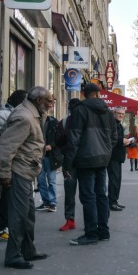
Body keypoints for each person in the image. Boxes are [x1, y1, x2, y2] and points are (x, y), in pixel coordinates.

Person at [0, 87, 53, 269]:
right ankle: (13, 256)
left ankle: (28, 250)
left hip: (26, 171)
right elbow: (6, 147)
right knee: (19, 216)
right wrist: (4, 174)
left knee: (28, 215)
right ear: (38, 100)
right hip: (18, 172)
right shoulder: (24, 116)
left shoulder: (33, 114)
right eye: (49, 101)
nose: (51, 105)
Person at [63, 83, 118, 246]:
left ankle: (91, 233)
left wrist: (67, 164)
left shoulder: (80, 110)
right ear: (98, 94)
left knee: (88, 196)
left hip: (85, 159)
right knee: (101, 195)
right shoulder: (108, 112)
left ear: (83, 94)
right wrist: (106, 151)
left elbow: (74, 138)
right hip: (102, 159)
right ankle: (103, 231)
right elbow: (114, 137)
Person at [0, 90, 28, 240]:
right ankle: (1, 227)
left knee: (12, 194)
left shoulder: (19, 114)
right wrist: (1, 153)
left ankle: (4, 226)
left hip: (17, 159)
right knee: (8, 194)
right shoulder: (3, 115)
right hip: (8, 161)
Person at [55, 98, 81, 232]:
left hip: (70, 162)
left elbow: (58, 142)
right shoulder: (66, 123)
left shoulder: (64, 122)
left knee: (70, 193)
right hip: (81, 161)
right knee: (87, 194)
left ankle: (70, 220)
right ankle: (89, 222)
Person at [35, 112, 62, 212]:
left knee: (51, 180)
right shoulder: (35, 121)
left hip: (50, 156)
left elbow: (60, 137)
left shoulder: (53, 122)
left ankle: (52, 203)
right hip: (38, 155)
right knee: (40, 180)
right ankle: (46, 202)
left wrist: (52, 145)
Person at [108, 107, 130, 211]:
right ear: (114, 113)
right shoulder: (111, 124)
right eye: (119, 113)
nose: (121, 115)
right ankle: (112, 202)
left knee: (117, 180)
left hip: (118, 157)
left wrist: (128, 142)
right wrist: (122, 140)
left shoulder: (119, 125)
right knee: (114, 180)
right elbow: (109, 138)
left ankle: (114, 201)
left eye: (122, 114)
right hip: (112, 156)